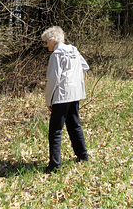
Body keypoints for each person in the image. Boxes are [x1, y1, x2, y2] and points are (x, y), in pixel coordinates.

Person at [41, 26, 90, 174]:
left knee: (55, 130)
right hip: (75, 94)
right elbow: (85, 66)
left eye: (46, 42)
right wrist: (73, 77)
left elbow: (53, 79)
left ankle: (54, 165)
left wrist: (48, 100)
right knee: (75, 125)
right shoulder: (74, 50)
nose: (45, 45)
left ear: (53, 40)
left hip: (61, 95)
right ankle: (83, 156)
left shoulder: (56, 55)